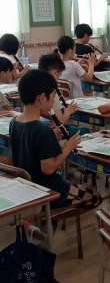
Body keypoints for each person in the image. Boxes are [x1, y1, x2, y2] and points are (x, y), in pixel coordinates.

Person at [9, 70, 99, 209]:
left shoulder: (14, 122)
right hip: (48, 190)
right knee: (94, 197)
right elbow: (49, 168)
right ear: (42, 98)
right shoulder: (42, 130)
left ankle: (45, 215)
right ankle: (49, 214)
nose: (52, 103)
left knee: (81, 191)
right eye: (52, 97)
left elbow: (33, 147)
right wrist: (68, 147)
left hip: (28, 186)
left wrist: (52, 137)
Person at [38, 53, 79, 124]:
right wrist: (68, 112)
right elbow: (60, 121)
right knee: (83, 129)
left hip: (38, 123)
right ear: (55, 72)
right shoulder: (51, 92)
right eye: (59, 76)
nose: (58, 79)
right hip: (50, 127)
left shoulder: (33, 85)